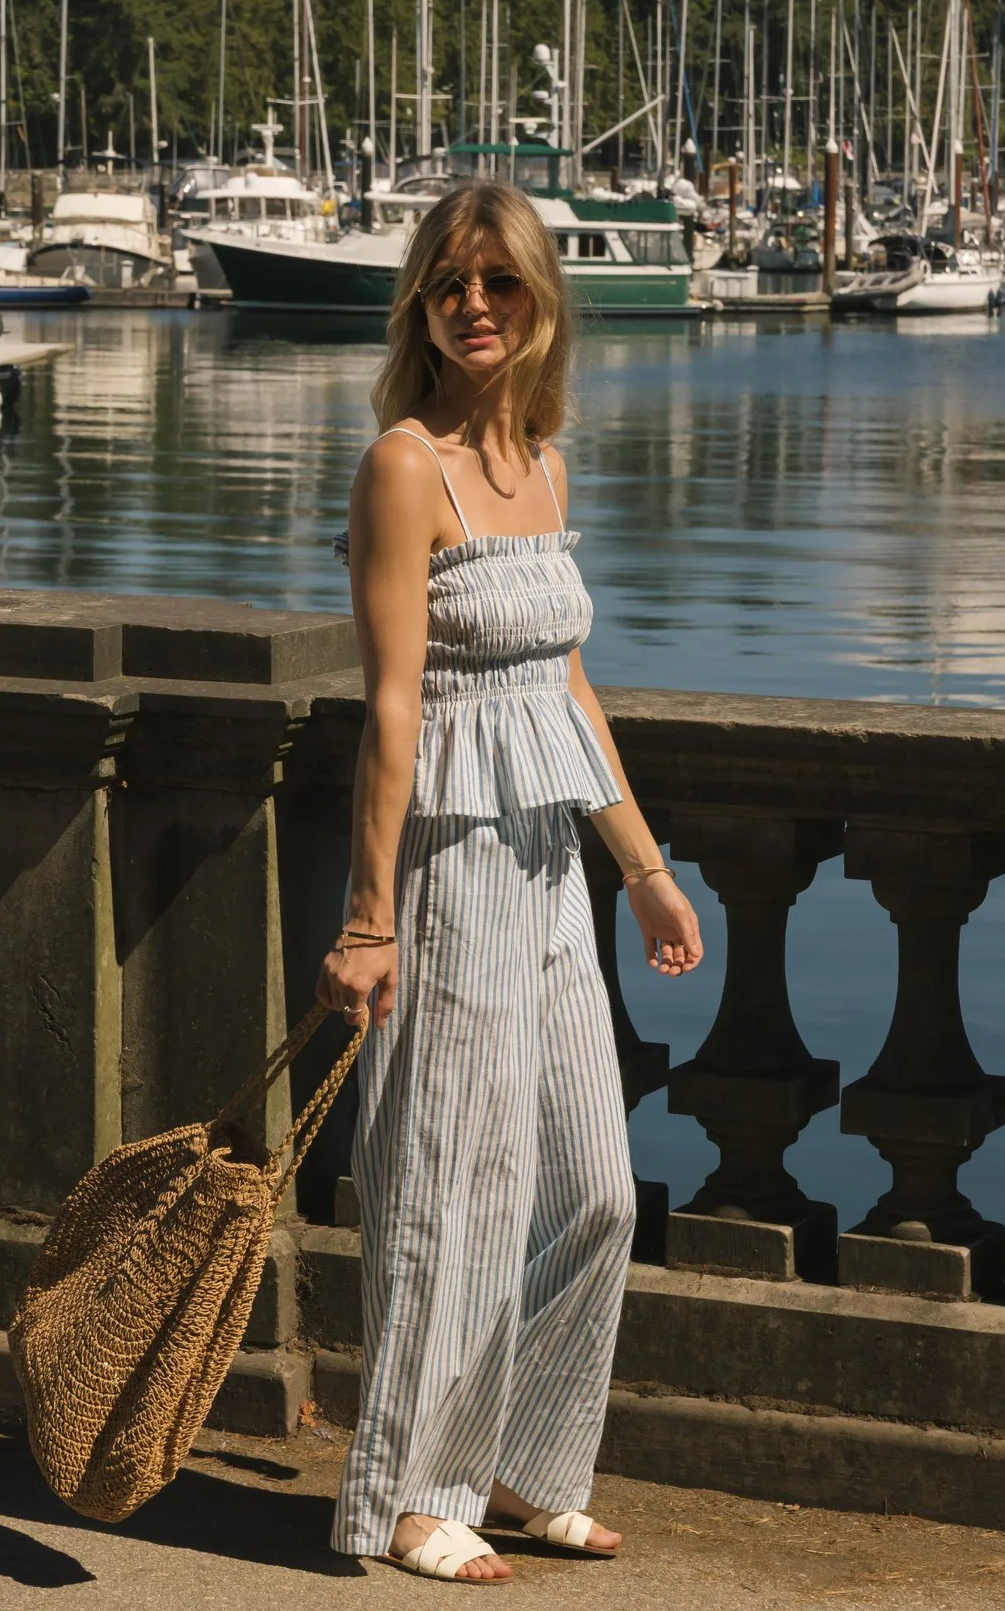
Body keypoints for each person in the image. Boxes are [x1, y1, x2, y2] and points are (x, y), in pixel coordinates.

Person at [315, 181, 704, 1585]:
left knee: (596, 1187)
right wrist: (369, 920)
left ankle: (529, 1462)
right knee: (451, 1189)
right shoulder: (401, 467)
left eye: (501, 283)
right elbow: (393, 709)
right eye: (449, 284)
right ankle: (412, 1493)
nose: (473, 306)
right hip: (448, 864)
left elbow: (567, 690)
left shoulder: (543, 463)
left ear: (542, 302)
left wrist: (643, 866)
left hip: (547, 864)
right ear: (419, 306)